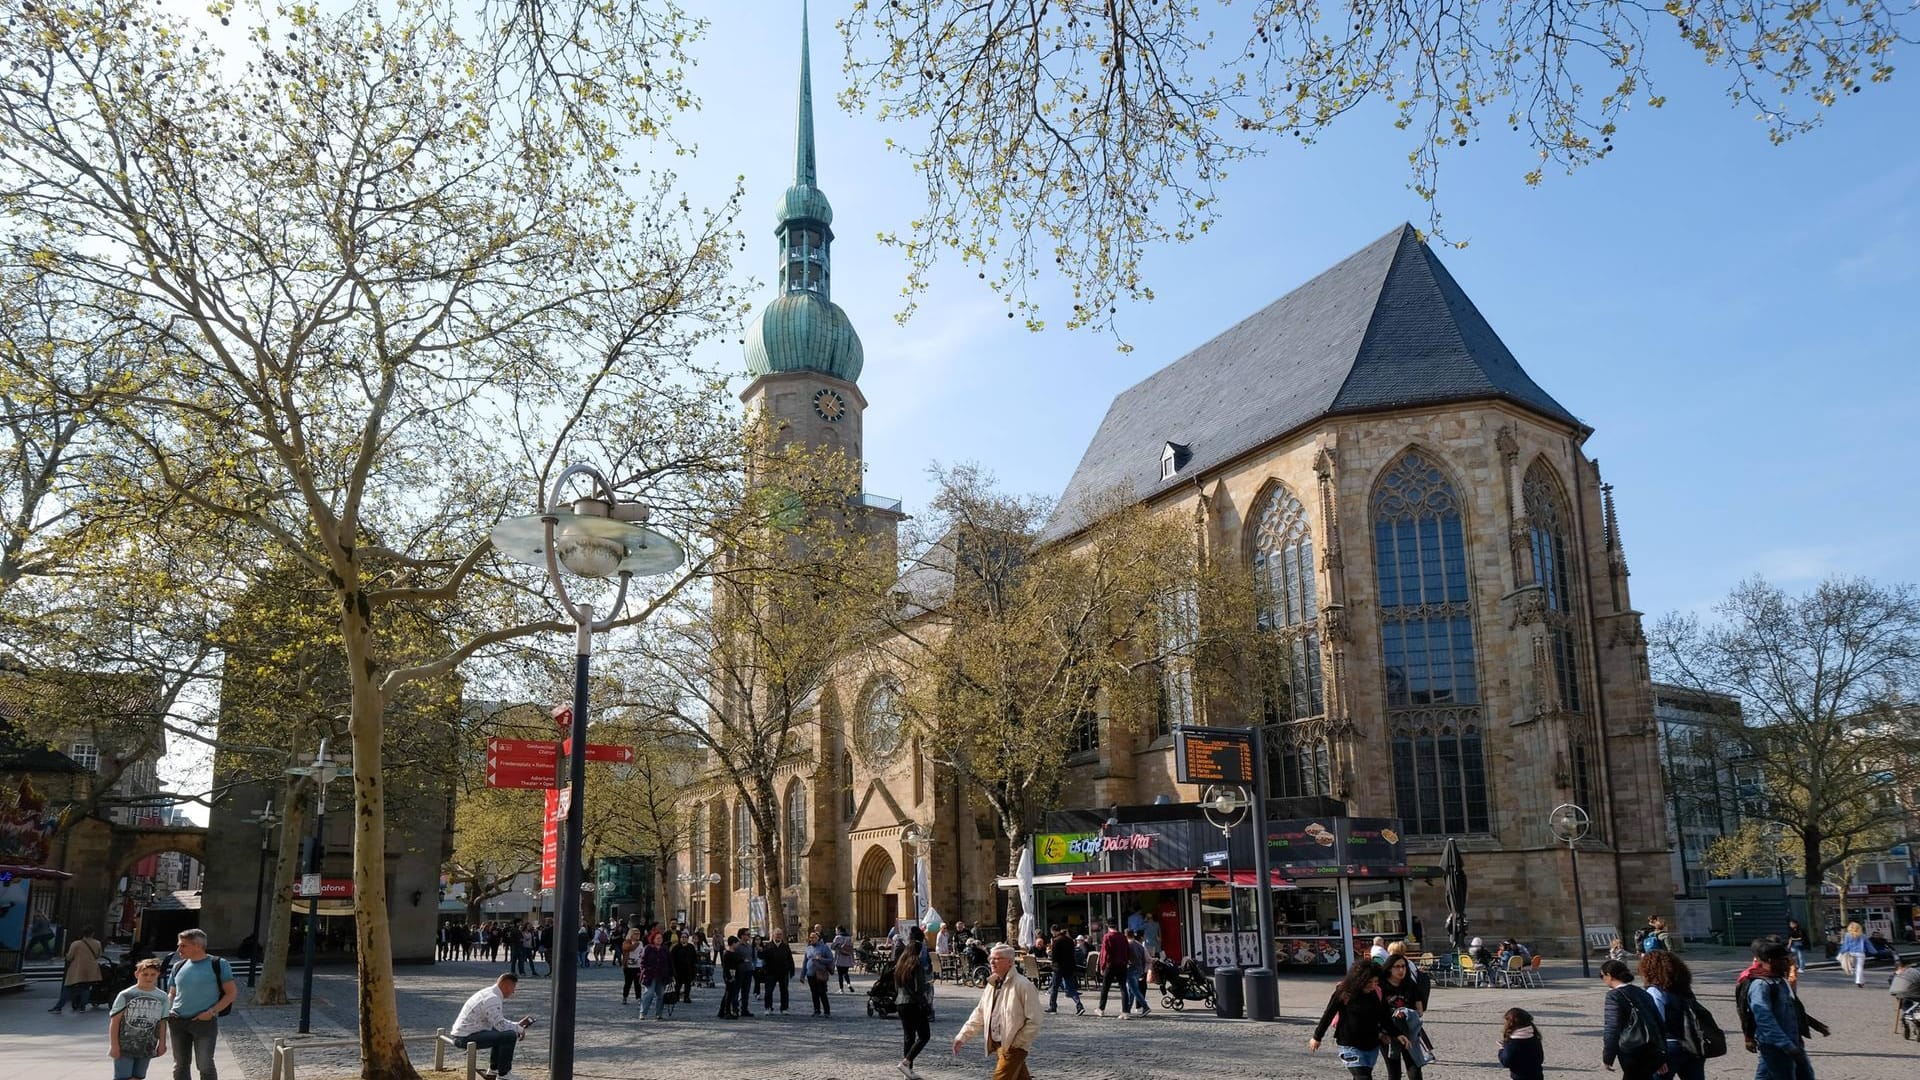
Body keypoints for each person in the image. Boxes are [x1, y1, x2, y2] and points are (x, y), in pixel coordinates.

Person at [953, 944, 1042, 1080]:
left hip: (1013, 1047)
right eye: (991, 958)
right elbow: (980, 1013)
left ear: (1010, 962)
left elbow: (1034, 1020)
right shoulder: (992, 984)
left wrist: (1017, 1043)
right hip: (1000, 1045)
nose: (992, 962)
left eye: (997, 958)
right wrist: (962, 1036)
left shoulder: (1023, 985)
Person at [165, 929, 237, 1080]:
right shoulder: (178, 966)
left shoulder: (218, 964)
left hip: (204, 1022)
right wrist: (169, 1009)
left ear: (197, 945)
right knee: (180, 1065)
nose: (178, 949)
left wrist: (211, 1012)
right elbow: (172, 992)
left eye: (183, 946)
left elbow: (231, 994)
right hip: (177, 1021)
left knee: (205, 1065)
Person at [1309, 960, 1396, 1079]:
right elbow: (1329, 1014)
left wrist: (1397, 1034)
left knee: (1362, 1075)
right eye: (1369, 981)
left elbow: (1385, 1016)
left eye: (1376, 981)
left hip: (1371, 1045)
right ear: (1359, 979)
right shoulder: (1344, 992)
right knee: (1363, 1077)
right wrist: (1317, 1037)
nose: (1373, 985)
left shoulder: (1377, 992)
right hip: (1349, 1044)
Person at [1748, 940, 1815, 1080]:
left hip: (1793, 1042)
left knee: (1806, 1075)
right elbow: (1764, 1019)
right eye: (1784, 960)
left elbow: (1793, 1009)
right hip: (1776, 1046)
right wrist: (1786, 1045)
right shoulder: (1761, 985)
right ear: (1771, 961)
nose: (1789, 963)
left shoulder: (1779, 980)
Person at [449, 973, 532, 1080]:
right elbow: (500, 1025)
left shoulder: (488, 993)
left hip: (464, 1034)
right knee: (510, 1035)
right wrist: (519, 1029)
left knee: (501, 1032)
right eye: (513, 987)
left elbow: (497, 1022)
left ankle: (494, 1070)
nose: (513, 992)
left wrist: (516, 1025)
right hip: (465, 1038)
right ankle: (504, 1074)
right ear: (506, 985)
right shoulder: (492, 998)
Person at [1638, 949, 1704, 1080]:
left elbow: (1656, 1024)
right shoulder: (1684, 989)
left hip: (1670, 1045)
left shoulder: (1655, 991)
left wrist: (1657, 1055)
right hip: (1692, 1044)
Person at [1598, 958, 1665, 1080]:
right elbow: (1658, 1021)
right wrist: (1662, 1054)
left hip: (1631, 1049)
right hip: (1650, 1047)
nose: (1602, 979)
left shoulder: (1614, 995)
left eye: (1601, 976)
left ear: (1609, 975)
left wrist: (1608, 1057)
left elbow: (1612, 1028)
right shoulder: (1641, 992)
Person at [110, 959, 171, 1080]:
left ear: (158, 975)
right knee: (123, 1077)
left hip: (147, 1045)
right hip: (125, 1045)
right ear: (137, 974)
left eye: (153, 974)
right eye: (145, 974)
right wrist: (114, 1045)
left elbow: (162, 1022)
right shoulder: (126, 995)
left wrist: (162, 1043)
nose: (149, 978)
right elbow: (115, 1021)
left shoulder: (162, 997)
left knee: (139, 1076)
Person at [1379, 952, 1429, 1080]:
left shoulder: (1410, 984)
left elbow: (1420, 1009)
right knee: (1394, 1071)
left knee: (1414, 1067)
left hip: (1409, 1031)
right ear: (1389, 968)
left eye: (1404, 966)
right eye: (1397, 966)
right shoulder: (1381, 986)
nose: (1401, 970)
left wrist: (1411, 1013)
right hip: (1388, 1032)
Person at [894, 941, 933, 1078]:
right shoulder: (916, 964)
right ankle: (906, 1063)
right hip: (913, 1004)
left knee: (908, 1037)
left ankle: (907, 1072)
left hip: (901, 1003)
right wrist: (925, 1002)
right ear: (918, 951)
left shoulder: (900, 964)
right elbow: (919, 988)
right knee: (924, 1035)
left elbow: (896, 987)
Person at [51, 925, 104, 1014]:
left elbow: (69, 957)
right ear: (93, 934)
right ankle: (82, 1007)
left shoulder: (76, 944)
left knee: (68, 988)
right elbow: (98, 955)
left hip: (77, 969)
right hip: (91, 969)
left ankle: (58, 1007)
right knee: (86, 988)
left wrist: (67, 957)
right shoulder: (97, 943)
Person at [1044, 926, 1084, 1015]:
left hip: (1058, 967)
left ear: (1053, 931)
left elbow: (1054, 957)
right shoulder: (1069, 940)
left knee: (1054, 987)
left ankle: (1053, 1007)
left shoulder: (1056, 940)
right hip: (1069, 967)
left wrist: (1049, 954)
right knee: (1070, 988)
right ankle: (1079, 1005)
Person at [1498, 1006, 1545, 1080]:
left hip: (1520, 1077)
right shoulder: (1534, 1037)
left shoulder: (1512, 1043)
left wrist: (1501, 1050)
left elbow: (1506, 1062)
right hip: (1537, 1075)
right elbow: (1540, 1059)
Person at [1095, 923, 1132, 1016]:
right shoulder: (1123, 937)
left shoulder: (1107, 937)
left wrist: (1102, 966)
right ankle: (1125, 1011)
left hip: (1111, 965)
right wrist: (1126, 961)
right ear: (1116, 926)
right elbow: (1127, 950)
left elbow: (1104, 953)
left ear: (1108, 927)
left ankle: (1101, 1009)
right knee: (1123, 988)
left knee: (1105, 988)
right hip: (1122, 965)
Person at [638, 930, 670, 1020]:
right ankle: (643, 1013)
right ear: (653, 939)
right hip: (650, 975)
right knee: (649, 993)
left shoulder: (665, 949)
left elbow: (669, 962)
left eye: (661, 938)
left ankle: (658, 1014)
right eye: (658, 938)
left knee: (661, 994)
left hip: (661, 975)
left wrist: (670, 973)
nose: (660, 940)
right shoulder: (648, 948)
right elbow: (642, 961)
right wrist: (644, 970)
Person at [760, 929, 793, 1013]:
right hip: (770, 972)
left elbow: (790, 959)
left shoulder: (785, 946)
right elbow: (762, 957)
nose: (778, 936)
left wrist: (791, 970)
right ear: (773, 935)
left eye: (780, 934)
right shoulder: (767, 946)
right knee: (768, 991)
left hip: (783, 972)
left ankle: (784, 1008)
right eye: (777, 934)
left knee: (784, 991)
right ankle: (768, 1008)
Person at [803, 930, 834, 1016]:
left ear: (818, 938)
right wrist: (802, 975)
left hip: (820, 974)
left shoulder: (824, 947)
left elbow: (831, 959)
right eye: (810, 937)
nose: (811, 939)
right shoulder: (808, 948)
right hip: (810, 974)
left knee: (822, 992)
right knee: (814, 993)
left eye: (814, 937)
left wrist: (821, 959)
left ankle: (827, 1011)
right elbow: (805, 962)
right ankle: (816, 1010)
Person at [1125, 928, 1150, 1016]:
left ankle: (1145, 1006)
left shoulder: (1128, 944)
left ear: (1126, 935)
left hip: (1131, 968)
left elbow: (1131, 957)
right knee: (1131, 989)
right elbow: (1144, 958)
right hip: (1139, 969)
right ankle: (1127, 1009)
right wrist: (1143, 970)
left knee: (1134, 989)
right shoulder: (1139, 945)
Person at [1835, 922, 1867, 987]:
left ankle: (1861, 980)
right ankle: (1859, 980)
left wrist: (1841, 952)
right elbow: (1868, 944)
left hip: (1851, 953)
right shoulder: (1862, 935)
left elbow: (1846, 946)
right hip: (1860, 953)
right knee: (1859, 967)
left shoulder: (1847, 935)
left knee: (1855, 967)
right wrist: (1874, 951)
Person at [670, 933, 698, 1006]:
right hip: (678, 970)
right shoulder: (676, 947)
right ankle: (676, 997)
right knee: (678, 984)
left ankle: (686, 997)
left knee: (688, 984)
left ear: (687, 939)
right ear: (680, 938)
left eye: (685, 937)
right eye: (682, 937)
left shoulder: (691, 947)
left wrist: (694, 969)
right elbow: (672, 959)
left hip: (688, 970)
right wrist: (673, 970)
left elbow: (694, 958)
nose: (684, 938)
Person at [832, 925, 857, 991]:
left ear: (839, 930)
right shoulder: (849, 938)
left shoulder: (838, 937)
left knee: (840, 974)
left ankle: (841, 989)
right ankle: (849, 984)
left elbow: (832, 946)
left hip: (839, 958)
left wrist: (837, 947)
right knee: (846, 973)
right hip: (847, 958)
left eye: (836, 930)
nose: (835, 932)